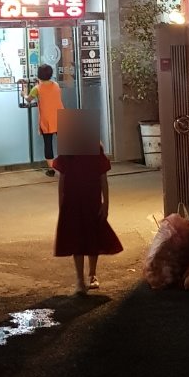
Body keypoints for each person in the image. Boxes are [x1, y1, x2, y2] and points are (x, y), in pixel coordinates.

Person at [52, 109, 122, 294]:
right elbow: (62, 180)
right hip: (73, 201)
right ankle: (79, 279)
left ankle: (92, 274)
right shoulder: (67, 153)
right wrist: (61, 204)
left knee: (92, 237)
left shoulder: (96, 151)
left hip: (91, 200)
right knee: (77, 239)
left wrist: (105, 204)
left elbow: (103, 179)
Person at [28, 62, 63, 176]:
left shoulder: (37, 88)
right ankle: (67, 167)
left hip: (47, 120)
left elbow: (29, 99)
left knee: (48, 144)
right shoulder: (56, 85)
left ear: (39, 75)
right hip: (60, 117)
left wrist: (23, 94)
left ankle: (51, 170)